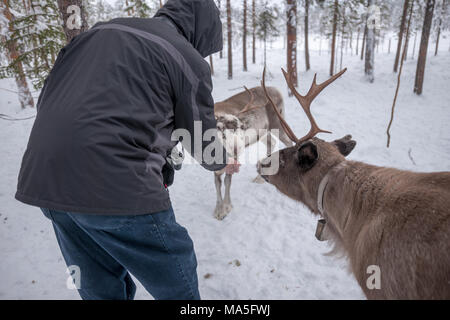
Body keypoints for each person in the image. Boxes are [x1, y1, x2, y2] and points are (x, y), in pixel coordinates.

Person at [15, 0, 239, 300]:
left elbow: (52, 99)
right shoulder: (184, 55)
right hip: (116, 184)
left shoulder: (94, 35)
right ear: (200, 30)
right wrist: (222, 163)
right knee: (175, 270)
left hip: (45, 180)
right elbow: (199, 136)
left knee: (98, 283)